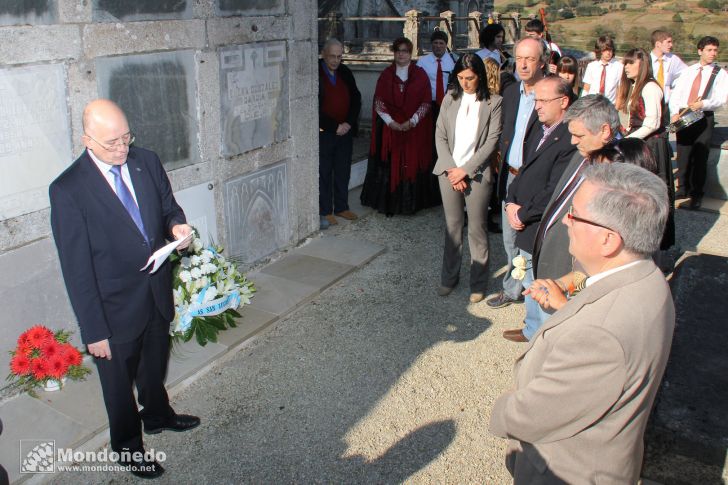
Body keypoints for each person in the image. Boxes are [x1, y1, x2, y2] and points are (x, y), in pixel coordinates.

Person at [490, 162, 675, 484]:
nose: (565, 220)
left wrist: (502, 411)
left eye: (574, 214)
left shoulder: (601, 334)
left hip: (564, 470)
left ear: (608, 240)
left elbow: (534, 414)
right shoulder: (646, 277)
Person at [49, 99, 200, 479]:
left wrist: (177, 229)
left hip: (155, 292)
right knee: (117, 388)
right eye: (111, 142)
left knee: (154, 364)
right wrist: (93, 329)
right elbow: (76, 268)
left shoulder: (145, 161)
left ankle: (158, 415)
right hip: (112, 310)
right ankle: (128, 448)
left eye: (126, 138)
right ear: (87, 140)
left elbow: (169, 209)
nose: (122, 148)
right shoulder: (68, 190)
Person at [501, 77, 577, 342]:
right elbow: (523, 171)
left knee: (544, 281)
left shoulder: (570, 138)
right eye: (536, 100)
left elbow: (554, 190)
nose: (537, 107)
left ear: (564, 101)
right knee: (529, 278)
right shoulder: (542, 128)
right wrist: (510, 201)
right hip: (523, 216)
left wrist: (522, 213)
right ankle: (532, 328)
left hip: (541, 224)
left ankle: (544, 339)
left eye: (543, 101)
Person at [530, 95, 621, 301]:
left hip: (574, 277)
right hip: (554, 269)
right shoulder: (584, 152)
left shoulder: (619, 174)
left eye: (578, 135)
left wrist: (567, 285)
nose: (572, 141)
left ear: (605, 131)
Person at [433, 53, 502, 302]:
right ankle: (449, 278)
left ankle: (478, 282)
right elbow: (440, 135)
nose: (465, 83)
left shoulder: (494, 102)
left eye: (470, 78)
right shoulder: (449, 99)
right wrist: (453, 169)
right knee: (452, 228)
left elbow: (491, 142)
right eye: (461, 77)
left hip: (477, 174)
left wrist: (465, 170)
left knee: (477, 228)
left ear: (480, 76)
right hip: (448, 172)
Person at [485, 37, 544, 309]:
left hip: (537, 179)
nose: (523, 64)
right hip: (511, 175)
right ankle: (513, 286)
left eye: (530, 58)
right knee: (510, 238)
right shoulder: (511, 93)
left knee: (529, 239)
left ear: (541, 62)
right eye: (519, 58)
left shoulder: (550, 94)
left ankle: (534, 294)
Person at [361, 37, 439, 215]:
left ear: (410, 53)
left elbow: (426, 102)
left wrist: (412, 121)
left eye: (405, 51)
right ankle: (391, 204)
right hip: (392, 131)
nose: (401, 54)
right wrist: (391, 122)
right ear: (394, 53)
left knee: (411, 163)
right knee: (392, 165)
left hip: (414, 131)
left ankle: (411, 204)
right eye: (398, 51)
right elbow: (379, 101)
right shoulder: (386, 75)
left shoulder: (420, 75)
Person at [616, 47, 675, 249]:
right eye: (625, 63)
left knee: (652, 197)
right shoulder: (637, 86)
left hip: (651, 147)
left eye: (631, 63)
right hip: (641, 143)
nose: (626, 67)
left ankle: (657, 246)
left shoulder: (650, 87)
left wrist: (625, 140)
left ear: (643, 65)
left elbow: (652, 123)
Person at [669, 36, 728, 210]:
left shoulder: (720, 73)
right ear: (700, 51)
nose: (713, 53)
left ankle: (696, 194)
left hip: (704, 115)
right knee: (683, 153)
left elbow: (721, 99)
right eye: (709, 50)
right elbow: (676, 93)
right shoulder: (689, 70)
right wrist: (674, 113)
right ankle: (682, 189)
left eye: (715, 50)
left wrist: (704, 104)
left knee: (700, 156)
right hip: (684, 115)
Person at [318, 38, 362, 229]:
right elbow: (313, 105)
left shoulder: (345, 71)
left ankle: (342, 207)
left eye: (339, 57)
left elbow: (356, 99)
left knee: (343, 170)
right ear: (323, 55)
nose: (336, 60)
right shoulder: (316, 73)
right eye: (332, 56)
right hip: (325, 132)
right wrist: (333, 126)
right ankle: (326, 210)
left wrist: (348, 123)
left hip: (345, 131)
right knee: (325, 172)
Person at [581, 35, 623, 104]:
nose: (608, 53)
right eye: (605, 50)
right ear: (600, 51)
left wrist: (616, 109)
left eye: (610, 50)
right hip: (592, 104)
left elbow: (620, 90)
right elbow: (586, 88)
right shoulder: (591, 66)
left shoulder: (619, 67)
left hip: (609, 105)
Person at [650, 29, 687, 103]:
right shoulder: (645, 59)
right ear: (658, 44)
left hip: (666, 104)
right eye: (668, 42)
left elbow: (686, 74)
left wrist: (674, 91)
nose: (671, 45)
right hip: (649, 102)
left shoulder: (673, 59)